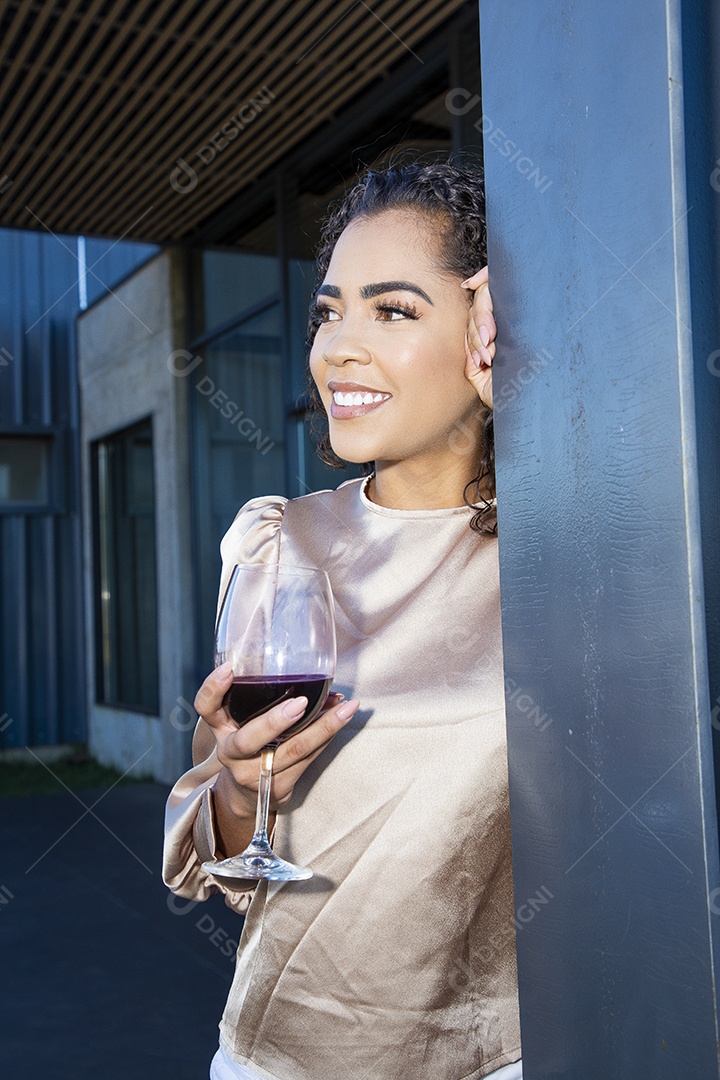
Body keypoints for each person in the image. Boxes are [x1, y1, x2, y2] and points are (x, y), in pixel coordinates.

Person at [163, 161, 522, 1080]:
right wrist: (243, 793)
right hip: (276, 1059)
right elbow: (223, 869)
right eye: (329, 312)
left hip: (493, 1062)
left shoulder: (562, 560)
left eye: (393, 310)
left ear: (488, 333)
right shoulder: (279, 543)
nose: (337, 349)